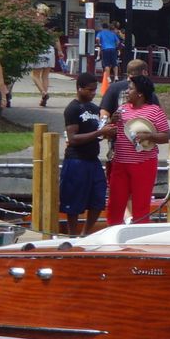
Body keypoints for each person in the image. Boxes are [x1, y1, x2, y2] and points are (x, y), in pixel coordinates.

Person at [107, 75, 170, 226]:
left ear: (140, 93)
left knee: (141, 205)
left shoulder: (154, 111)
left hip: (144, 163)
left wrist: (148, 135)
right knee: (115, 203)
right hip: (120, 163)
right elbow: (110, 132)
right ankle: (111, 236)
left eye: (130, 89)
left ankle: (137, 237)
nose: (127, 92)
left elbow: (166, 136)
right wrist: (112, 121)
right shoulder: (121, 109)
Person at [60, 72, 114, 236]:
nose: (93, 93)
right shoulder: (72, 109)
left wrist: (110, 126)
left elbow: (100, 131)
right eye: (90, 90)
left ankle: (86, 232)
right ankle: (72, 233)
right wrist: (99, 132)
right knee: (74, 200)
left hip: (93, 159)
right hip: (76, 159)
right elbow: (73, 138)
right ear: (79, 88)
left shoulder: (94, 108)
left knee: (98, 198)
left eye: (95, 90)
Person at [30, 3, 63, 107]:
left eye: (38, 12)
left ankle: (44, 93)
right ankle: (43, 98)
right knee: (45, 76)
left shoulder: (35, 25)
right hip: (50, 50)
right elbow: (56, 39)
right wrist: (60, 51)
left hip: (40, 50)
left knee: (34, 75)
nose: (37, 14)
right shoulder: (51, 25)